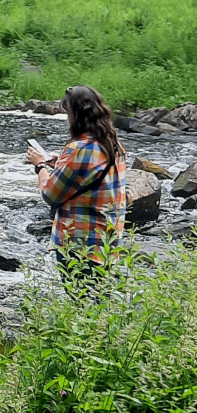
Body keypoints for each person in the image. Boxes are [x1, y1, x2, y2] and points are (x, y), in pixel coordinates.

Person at [27, 85, 126, 289]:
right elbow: (91, 175)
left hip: (80, 245)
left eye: (68, 114)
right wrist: (59, 164)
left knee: (81, 304)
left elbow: (50, 194)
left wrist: (41, 166)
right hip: (107, 242)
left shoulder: (79, 148)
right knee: (99, 305)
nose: (67, 119)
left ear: (77, 116)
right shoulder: (113, 144)